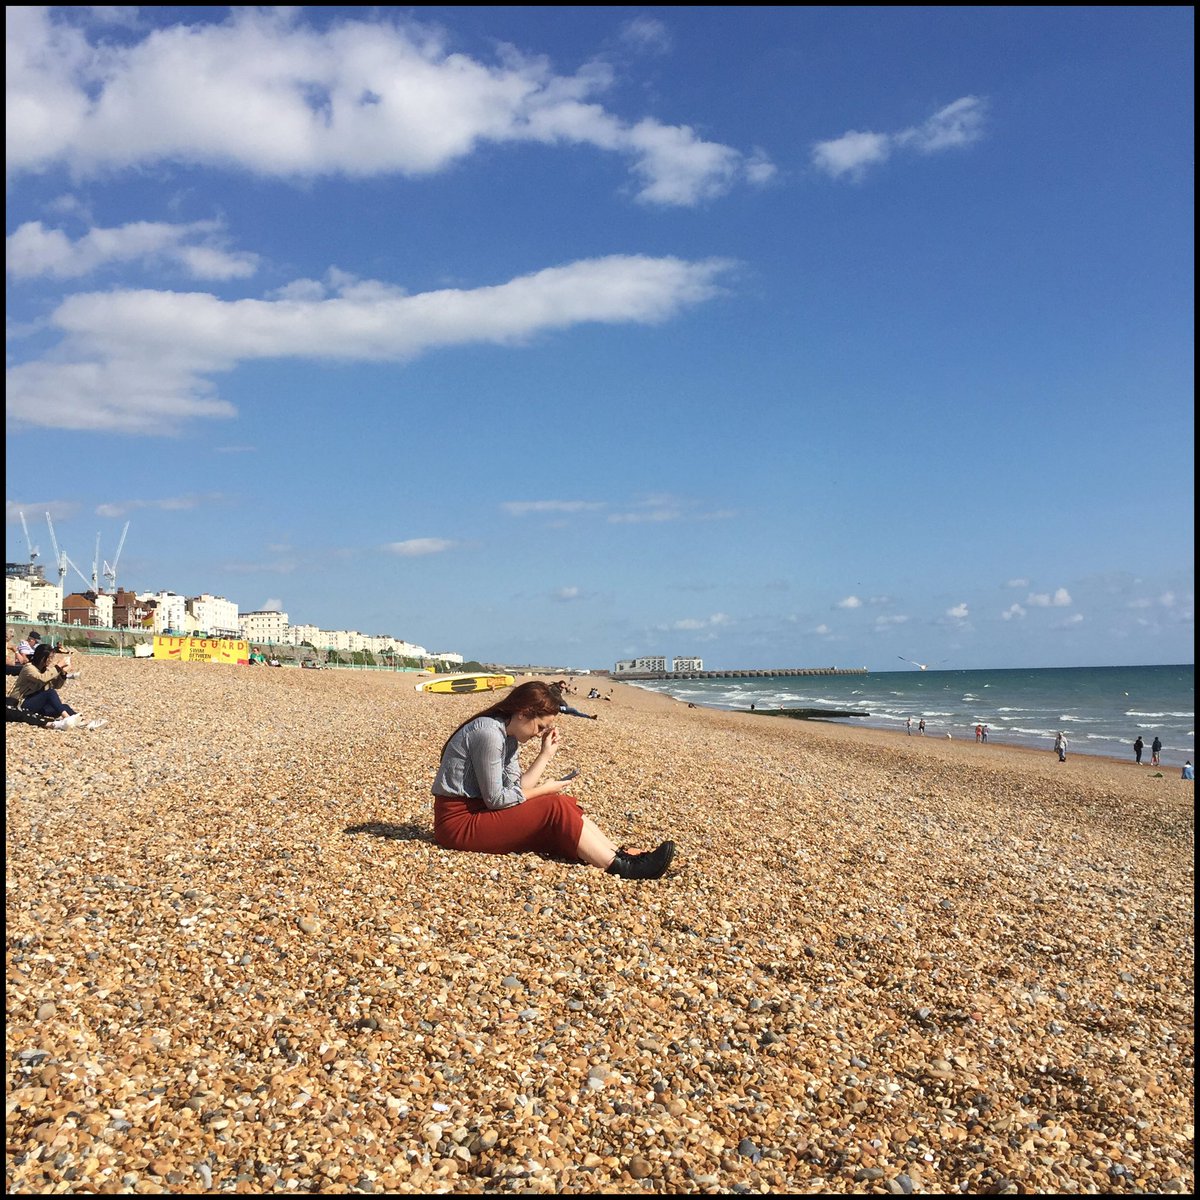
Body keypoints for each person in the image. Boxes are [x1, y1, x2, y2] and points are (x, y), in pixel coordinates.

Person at [431, 680, 674, 880]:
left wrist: (545, 754)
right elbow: (496, 800)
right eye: (540, 727)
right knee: (553, 805)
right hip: (458, 823)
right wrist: (544, 790)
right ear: (524, 713)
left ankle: (619, 853)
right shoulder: (488, 734)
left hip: (478, 812)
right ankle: (621, 867)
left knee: (563, 802)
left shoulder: (509, 735)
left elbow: (517, 788)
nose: (539, 734)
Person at [8, 643, 80, 727]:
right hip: (21, 704)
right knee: (50, 693)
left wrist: (63, 673)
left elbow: (56, 685)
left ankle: (82, 722)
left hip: (37, 705)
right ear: (42, 657)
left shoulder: (46, 670)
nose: (51, 660)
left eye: (52, 658)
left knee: (64, 707)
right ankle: (67, 718)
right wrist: (58, 667)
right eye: (49, 658)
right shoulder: (28, 668)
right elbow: (42, 678)